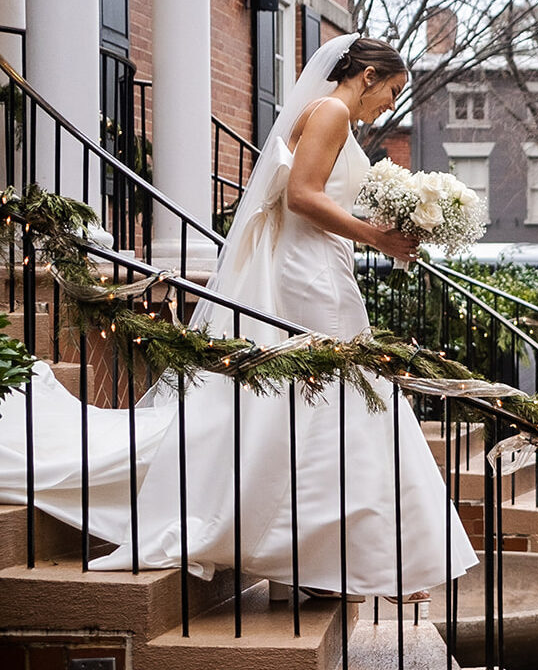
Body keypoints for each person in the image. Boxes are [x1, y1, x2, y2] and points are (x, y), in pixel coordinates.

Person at [0, 35, 474, 602]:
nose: (391, 105)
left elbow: (322, 195)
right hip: (309, 273)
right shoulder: (329, 111)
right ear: (367, 75)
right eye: (392, 90)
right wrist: (377, 236)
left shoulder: (335, 119)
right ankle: (343, 560)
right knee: (333, 397)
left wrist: (395, 218)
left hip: (321, 265)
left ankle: (338, 559)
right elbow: (302, 197)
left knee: (329, 403)